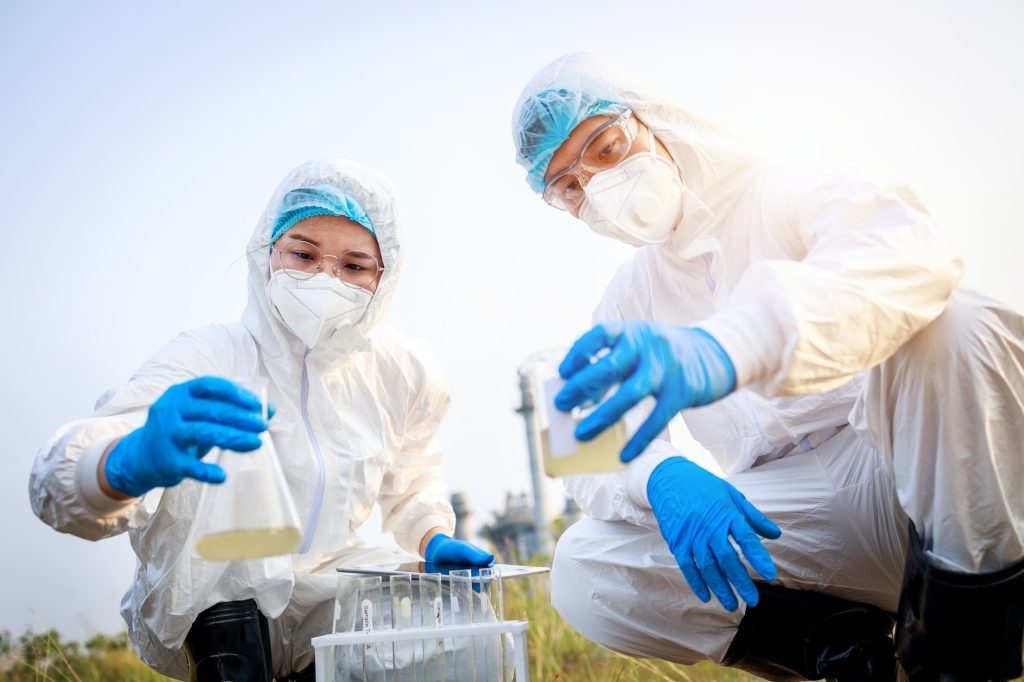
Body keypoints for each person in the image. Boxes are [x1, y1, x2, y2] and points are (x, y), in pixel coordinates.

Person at [512, 53, 1024, 681]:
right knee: (585, 567)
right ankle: (841, 649)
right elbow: (575, 440)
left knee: (956, 325)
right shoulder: (629, 298)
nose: (597, 187)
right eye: (569, 188)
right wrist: (658, 475)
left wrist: (733, 346)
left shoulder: (783, 186)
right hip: (794, 517)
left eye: (607, 147)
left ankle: (963, 653)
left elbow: (908, 256)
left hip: (909, 466)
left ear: (652, 120)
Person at [29, 159, 495, 681]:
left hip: (332, 597)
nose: (326, 279)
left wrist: (431, 535)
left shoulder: (398, 370)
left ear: (383, 278)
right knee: (231, 610)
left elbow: (411, 474)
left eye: (354, 266)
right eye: (303, 254)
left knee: (450, 642)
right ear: (267, 251)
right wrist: (124, 463)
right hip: (217, 603)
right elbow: (56, 481)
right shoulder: (209, 357)